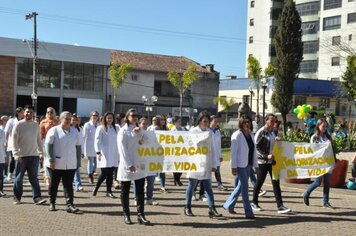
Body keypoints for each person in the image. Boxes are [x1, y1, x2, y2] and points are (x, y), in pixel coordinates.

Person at [184, 111, 222, 218]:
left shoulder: (210, 132)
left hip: (206, 162)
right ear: (199, 121)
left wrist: (214, 163)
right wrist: (202, 138)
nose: (206, 123)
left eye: (207, 121)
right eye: (204, 121)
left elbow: (213, 149)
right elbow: (192, 145)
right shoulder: (193, 131)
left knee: (208, 187)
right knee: (192, 186)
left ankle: (212, 208)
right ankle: (187, 207)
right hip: (194, 162)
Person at [251, 114, 291, 214]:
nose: (273, 122)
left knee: (276, 183)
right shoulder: (261, 132)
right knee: (260, 182)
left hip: (272, 162)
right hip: (263, 162)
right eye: (271, 120)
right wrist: (266, 156)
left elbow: (271, 143)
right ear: (266, 121)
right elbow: (256, 147)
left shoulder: (273, 132)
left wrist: (276, 140)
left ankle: (280, 205)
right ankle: (254, 202)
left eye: (274, 121)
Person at [117, 109, 150, 225]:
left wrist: (139, 133)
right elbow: (122, 149)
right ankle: (126, 215)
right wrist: (129, 164)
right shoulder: (123, 131)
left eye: (137, 115)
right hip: (128, 164)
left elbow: (146, 142)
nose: (135, 117)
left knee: (140, 190)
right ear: (127, 117)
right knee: (125, 190)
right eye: (132, 115)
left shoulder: (139, 129)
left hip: (139, 163)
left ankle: (141, 215)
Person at [45, 111, 82, 213]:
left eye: (70, 118)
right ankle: (52, 202)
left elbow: (78, 147)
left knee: (68, 185)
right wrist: (51, 159)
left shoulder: (75, 131)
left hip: (70, 164)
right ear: (60, 119)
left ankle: (70, 205)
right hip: (56, 163)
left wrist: (78, 161)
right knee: (54, 184)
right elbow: (48, 146)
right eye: (66, 118)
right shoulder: (54, 131)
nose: (68, 120)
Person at [223, 115, 258, 219]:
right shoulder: (236, 135)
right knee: (245, 188)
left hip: (249, 164)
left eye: (248, 122)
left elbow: (254, 152)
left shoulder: (252, 134)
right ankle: (248, 212)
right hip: (240, 165)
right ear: (241, 124)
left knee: (240, 187)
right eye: (245, 122)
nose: (247, 124)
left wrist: (256, 166)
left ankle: (229, 205)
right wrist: (233, 167)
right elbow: (233, 154)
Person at [12, 105, 46, 205]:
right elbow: (14, 141)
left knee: (34, 178)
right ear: (23, 112)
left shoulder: (36, 125)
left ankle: (37, 198)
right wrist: (16, 154)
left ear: (33, 113)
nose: (29, 114)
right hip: (21, 156)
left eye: (31, 112)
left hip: (34, 156)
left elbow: (38, 140)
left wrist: (41, 153)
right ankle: (17, 197)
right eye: (27, 112)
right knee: (18, 179)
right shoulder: (18, 125)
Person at [303, 118, 336, 209]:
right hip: (319, 163)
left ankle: (325, 202)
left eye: (326, 126)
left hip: (328, 162)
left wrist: (334, 160)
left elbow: (332, 150)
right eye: (323, 126)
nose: (325, 128)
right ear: (318, 126)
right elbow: (314, 150)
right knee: (318, 182)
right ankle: (306, 193)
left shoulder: (328, 137)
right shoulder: (314, 137)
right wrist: (326, 145)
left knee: (327, 183)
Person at [93, 112, 119, 198]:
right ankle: (96, 187)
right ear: (105, 118)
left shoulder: (116, 128)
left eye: (111, 118)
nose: (109, 120)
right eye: (108, 118)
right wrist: (98, 152)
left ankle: (109, 191)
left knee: (110, 173)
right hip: (104, 153)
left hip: (114, 153)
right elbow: (97, 140)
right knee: (104, 173)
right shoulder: (100, 128)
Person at [136, 117, 159, 205]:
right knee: (139, 181)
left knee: (151, 181)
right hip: (140, 160)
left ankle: (149, 198)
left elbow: (156, 143)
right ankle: (136, 198)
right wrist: (144, 138)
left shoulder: (152, 133)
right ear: (139, 124)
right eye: (143, 124)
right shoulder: (136, 132)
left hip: (150, 160)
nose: (145, 125)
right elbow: (138, 143)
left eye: (146, 124)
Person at [39, 107, 58, 186]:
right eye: (48, 112)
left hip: (56, 142)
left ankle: (52, 174)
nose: (49, 114)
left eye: (51, 112)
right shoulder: (43, 122)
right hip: (46, 142)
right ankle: (47, 177)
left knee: (54, 158)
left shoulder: (57, 122)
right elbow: (41, 134)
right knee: (47, 158)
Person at [4, 107, 24, 181]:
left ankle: (18, 175)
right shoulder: (11, 121)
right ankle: (10, 174)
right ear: (18, 113)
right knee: (13, 159)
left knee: (20, 160)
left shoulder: (24, 121)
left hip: (21, 144)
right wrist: (5, 141)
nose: (23, 114)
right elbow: (7, 132)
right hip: (12, 143)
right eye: (22, 112)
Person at [209, 115, 227, 191]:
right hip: (209, 154)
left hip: (216, 154)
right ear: (210, 121)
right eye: (215, 121)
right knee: (207, 171)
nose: (216, 123)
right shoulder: (207, 130)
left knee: (217, 170)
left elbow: (219, 144)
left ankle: (220, 184)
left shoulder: (217, 131)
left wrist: (220, 155)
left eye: (217, 121)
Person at [83, 111, 99, 184]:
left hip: (97, 146)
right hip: (89, 146)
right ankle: (90, 176)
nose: (94, 116)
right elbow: (84, 136)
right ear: (91, 116)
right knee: (91, 161)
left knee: (96, 163)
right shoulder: (87, 124)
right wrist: (83, 150)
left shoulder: (99, 125)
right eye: (93, 115)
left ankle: (92, 172)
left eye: (96, 115)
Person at [71, 114, 84, 192]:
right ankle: (71, 183)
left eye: (75, 120)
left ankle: (78, 185)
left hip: (77, 151)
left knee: (77, 168)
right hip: (69, 152)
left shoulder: (79, 129)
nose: (74, 121)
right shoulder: (67, 129)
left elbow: (81, 142)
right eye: (72, 120)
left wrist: (82, 152)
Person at [171, 116, 185, 186]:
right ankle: (176, 179)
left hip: (182, 150)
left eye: (180, 121)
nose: (180, 123)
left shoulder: (183, 129)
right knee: (176, 166)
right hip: (175, 150)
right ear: (175, 122)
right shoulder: (172, 130)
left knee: (182, 166)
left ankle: (177, 179)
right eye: (178, 121)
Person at [0, 125, 7, 197]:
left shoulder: (2, 132)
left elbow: (4, 144)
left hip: (1, 156)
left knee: (1, 176)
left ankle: (1, 190)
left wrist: (5, 155)